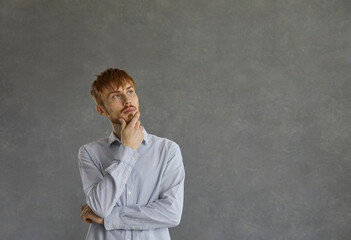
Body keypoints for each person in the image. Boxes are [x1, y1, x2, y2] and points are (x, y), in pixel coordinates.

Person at [77, 68, 185, 240]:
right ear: (101, 110)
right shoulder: (90, 153)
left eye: (130, 92)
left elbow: (171, 213)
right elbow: (99, 207)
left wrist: (109, 219)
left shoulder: (167, 150)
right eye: (116, 96)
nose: (127, 100)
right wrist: (127, 150)